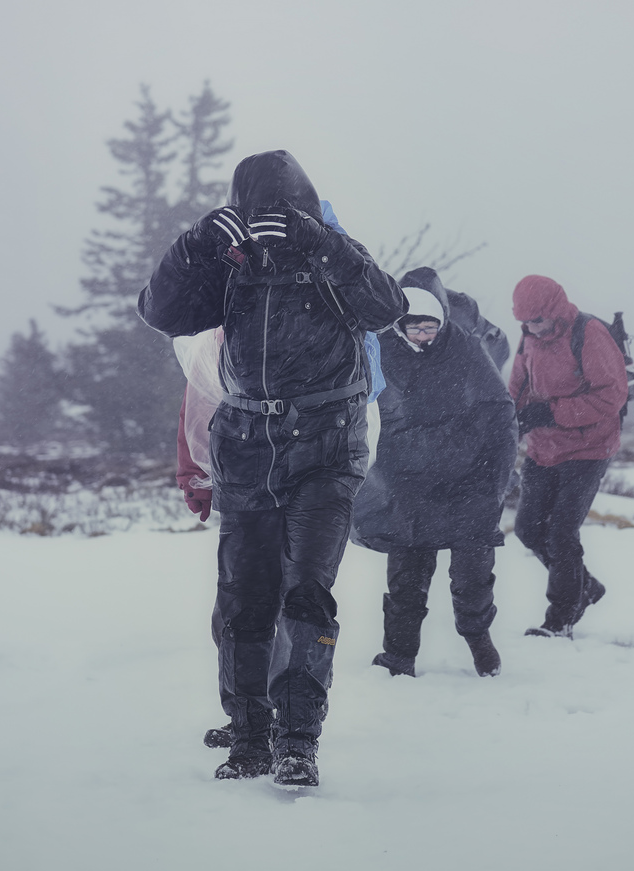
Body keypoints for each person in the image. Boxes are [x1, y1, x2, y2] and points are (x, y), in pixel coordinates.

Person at [138, 150, 405, 789]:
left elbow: (385, 307)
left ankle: (298, 740)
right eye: (258, 213)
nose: (269, 225)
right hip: (247, 445)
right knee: (242, 602)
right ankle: (250, 737)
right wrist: (193, 244)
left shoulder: (333, 254)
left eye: (282, 212)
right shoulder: (231, 267)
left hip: (325, 446)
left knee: (305, 593)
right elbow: (161, 312)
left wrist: (325, 244)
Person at [351, 267, 515, 678]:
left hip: (469, 482)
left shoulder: (466, 348)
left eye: (429, 327)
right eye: (413, 328)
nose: (420, 336)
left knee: (472, 577)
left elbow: (499, 412)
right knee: (406, 580)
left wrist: (496, 481)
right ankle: (399, 656)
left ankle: (479, 641)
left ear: (442, 320)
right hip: (407, 486)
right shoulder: (382, 350)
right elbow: (361, 410)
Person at [507, 274, 628, 638]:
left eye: (537, 320)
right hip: (543, 449)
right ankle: (584, 587)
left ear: (555, 312)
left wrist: (552, 413)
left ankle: (560, 617)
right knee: (528, 529)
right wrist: (511, 418)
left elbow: (612, 395)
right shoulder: (529, 337)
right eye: (525, 322)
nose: (531, 327)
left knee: (561, 533)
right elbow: (517, 385)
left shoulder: (588, 334)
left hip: (588, 448)